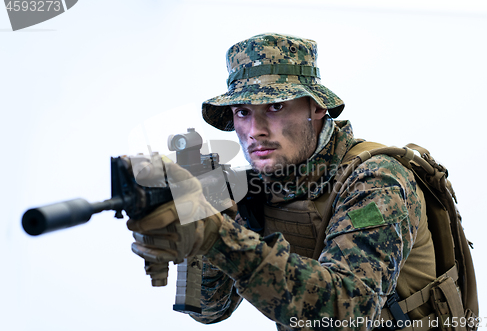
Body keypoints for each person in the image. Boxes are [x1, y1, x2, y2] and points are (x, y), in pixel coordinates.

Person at [126, 33, 437, 330]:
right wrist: (205, 222)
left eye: (275, 107)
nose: (254, 130)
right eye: (243, 112)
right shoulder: (261, 187)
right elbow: (210, 311)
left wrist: (217, 236)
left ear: (316, 107)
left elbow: (347, 313)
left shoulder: (375, 181)